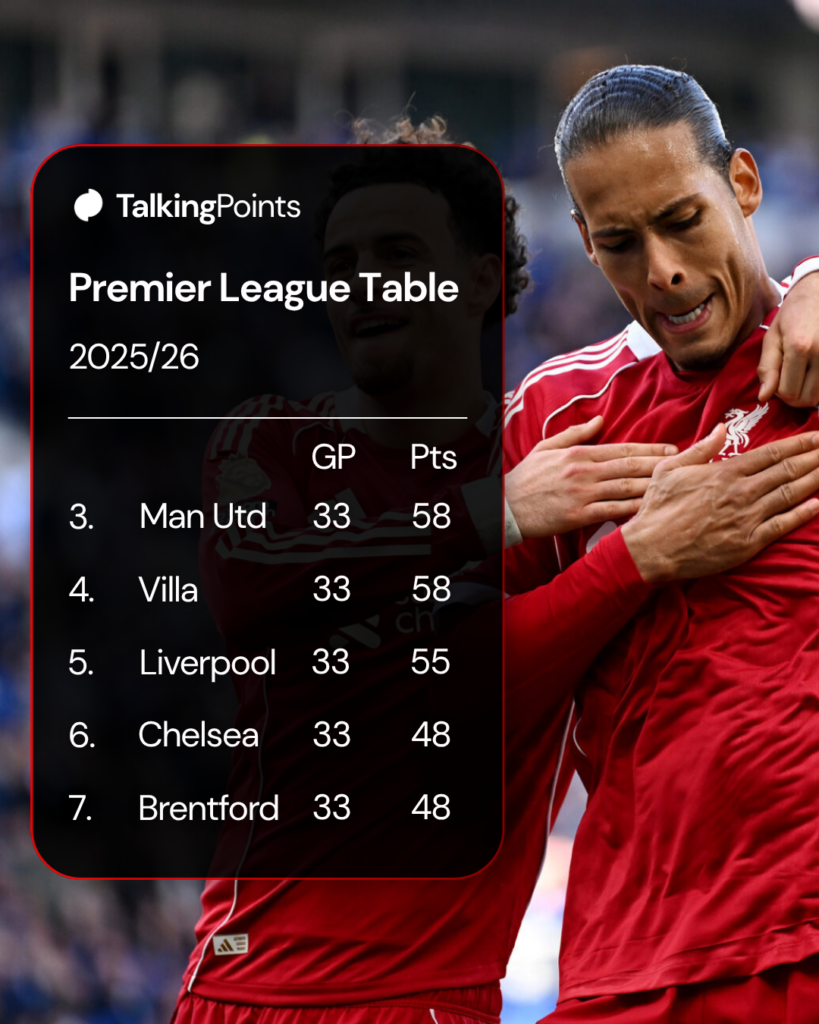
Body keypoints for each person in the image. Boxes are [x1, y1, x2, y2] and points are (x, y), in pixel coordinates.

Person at [172, 119, 819, 1024]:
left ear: (481, 277)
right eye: (341, 261)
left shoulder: (561, 435)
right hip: (258, 982)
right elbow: (266, 602)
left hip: (441, 1000)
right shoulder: (274, 441)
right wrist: (531, 523)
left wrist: (807, 279)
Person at [503, 64, 819, 1022]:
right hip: (628, 966)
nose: (662, 270)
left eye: (683, 221)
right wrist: (520, 525)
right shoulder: (559, 421)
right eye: (618, 244)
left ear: (745, 185)